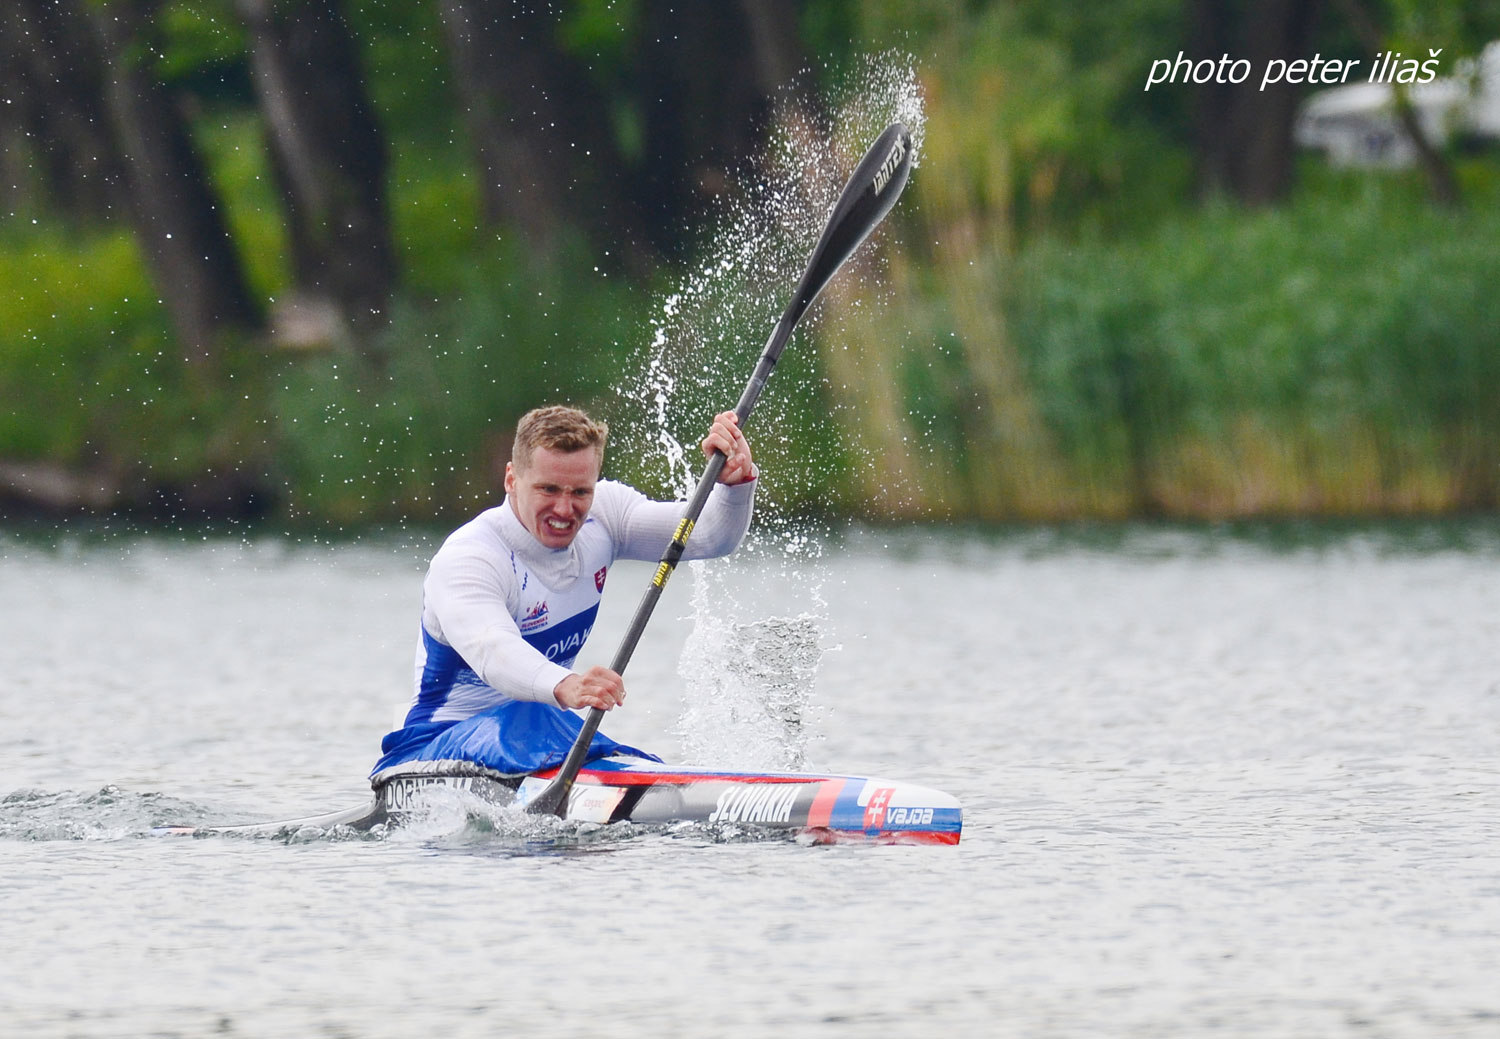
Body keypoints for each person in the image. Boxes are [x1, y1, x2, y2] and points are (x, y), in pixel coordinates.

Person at [371, 404, 756, 778]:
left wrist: (735, 483)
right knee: (537, 713)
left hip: (541, 741)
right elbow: (493, 649)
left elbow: (707, 535)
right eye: (548, 489)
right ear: (511, 479)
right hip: (431, 749)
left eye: (580, 493)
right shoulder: (471, 556)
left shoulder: (607, 515)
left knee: (547, 719)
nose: (564, 509)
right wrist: (566, 685)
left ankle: (646, 777)